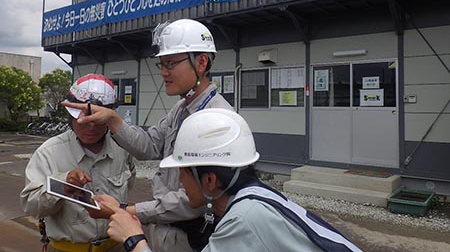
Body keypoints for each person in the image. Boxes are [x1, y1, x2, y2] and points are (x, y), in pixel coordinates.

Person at [62, 19, 234, 252]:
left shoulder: (216, 118)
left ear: (201, 62)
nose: (163, 72)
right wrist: (112, 119)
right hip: (166, 233)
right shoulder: (182, 108)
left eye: (170, 63)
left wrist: (124, 209)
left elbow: (195, 200)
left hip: (188, 238)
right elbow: (150, 146)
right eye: (161, 64)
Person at [101, 108, 363, 252]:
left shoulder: (243, 220)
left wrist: (134, 239)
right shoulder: (256, 198)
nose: (178, 180)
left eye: (182, 172)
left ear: (210, 180)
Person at [20, 73, 136, 252]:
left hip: (116, 247)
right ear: (69, 116)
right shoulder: (49, 152)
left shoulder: (122, 149)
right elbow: (31, 206)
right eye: (82, 120)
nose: (90, 127)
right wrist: (62, 185)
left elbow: (130, 182)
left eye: (97, 120)